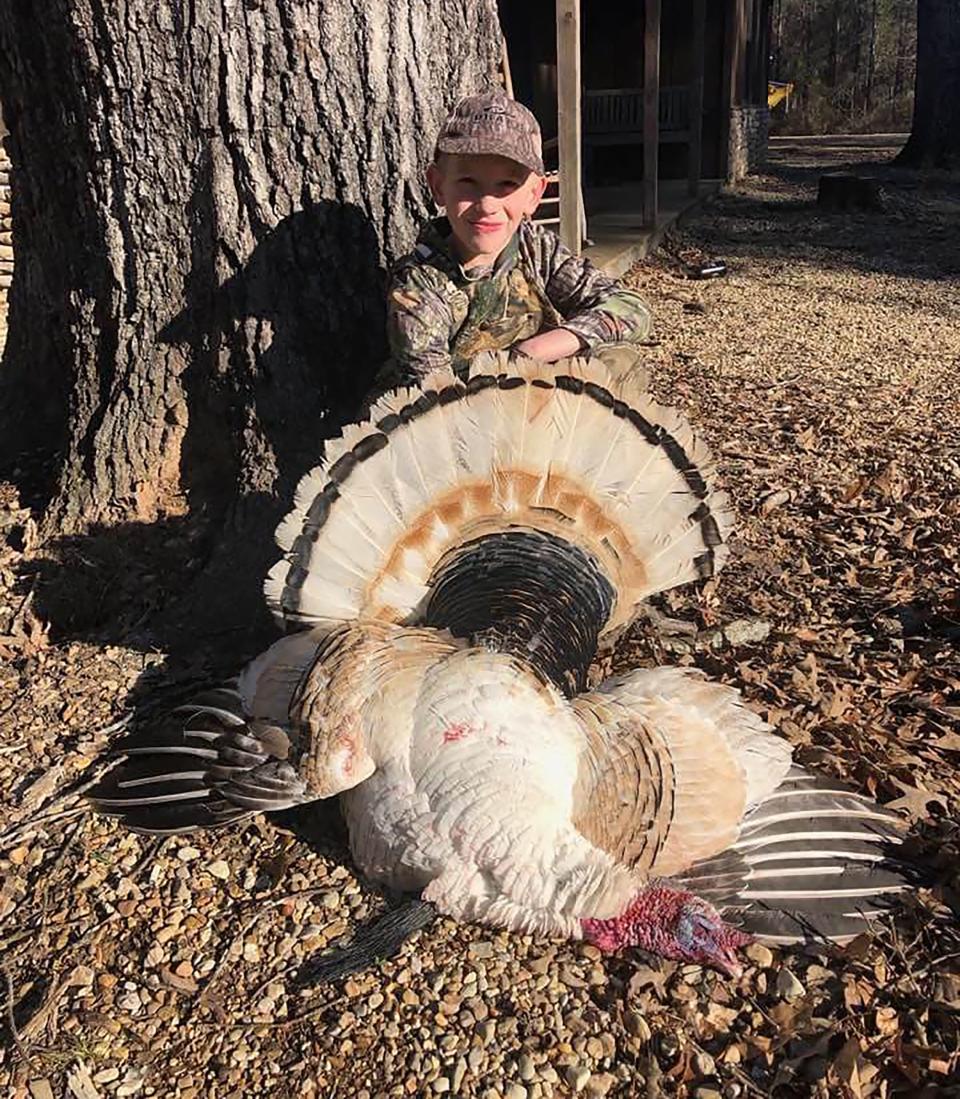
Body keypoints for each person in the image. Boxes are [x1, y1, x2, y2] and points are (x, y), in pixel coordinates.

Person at [384, 90, 653, 387]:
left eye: (507, 185)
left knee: (617, 360)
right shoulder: (419, 287)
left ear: (535, 195)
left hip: (529, 400)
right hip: (458, 418)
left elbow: (630, 307)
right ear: (437, 186)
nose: (487, 205)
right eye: (467, 182)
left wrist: (532, 351)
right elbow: (432, 397)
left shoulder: (535, 249)